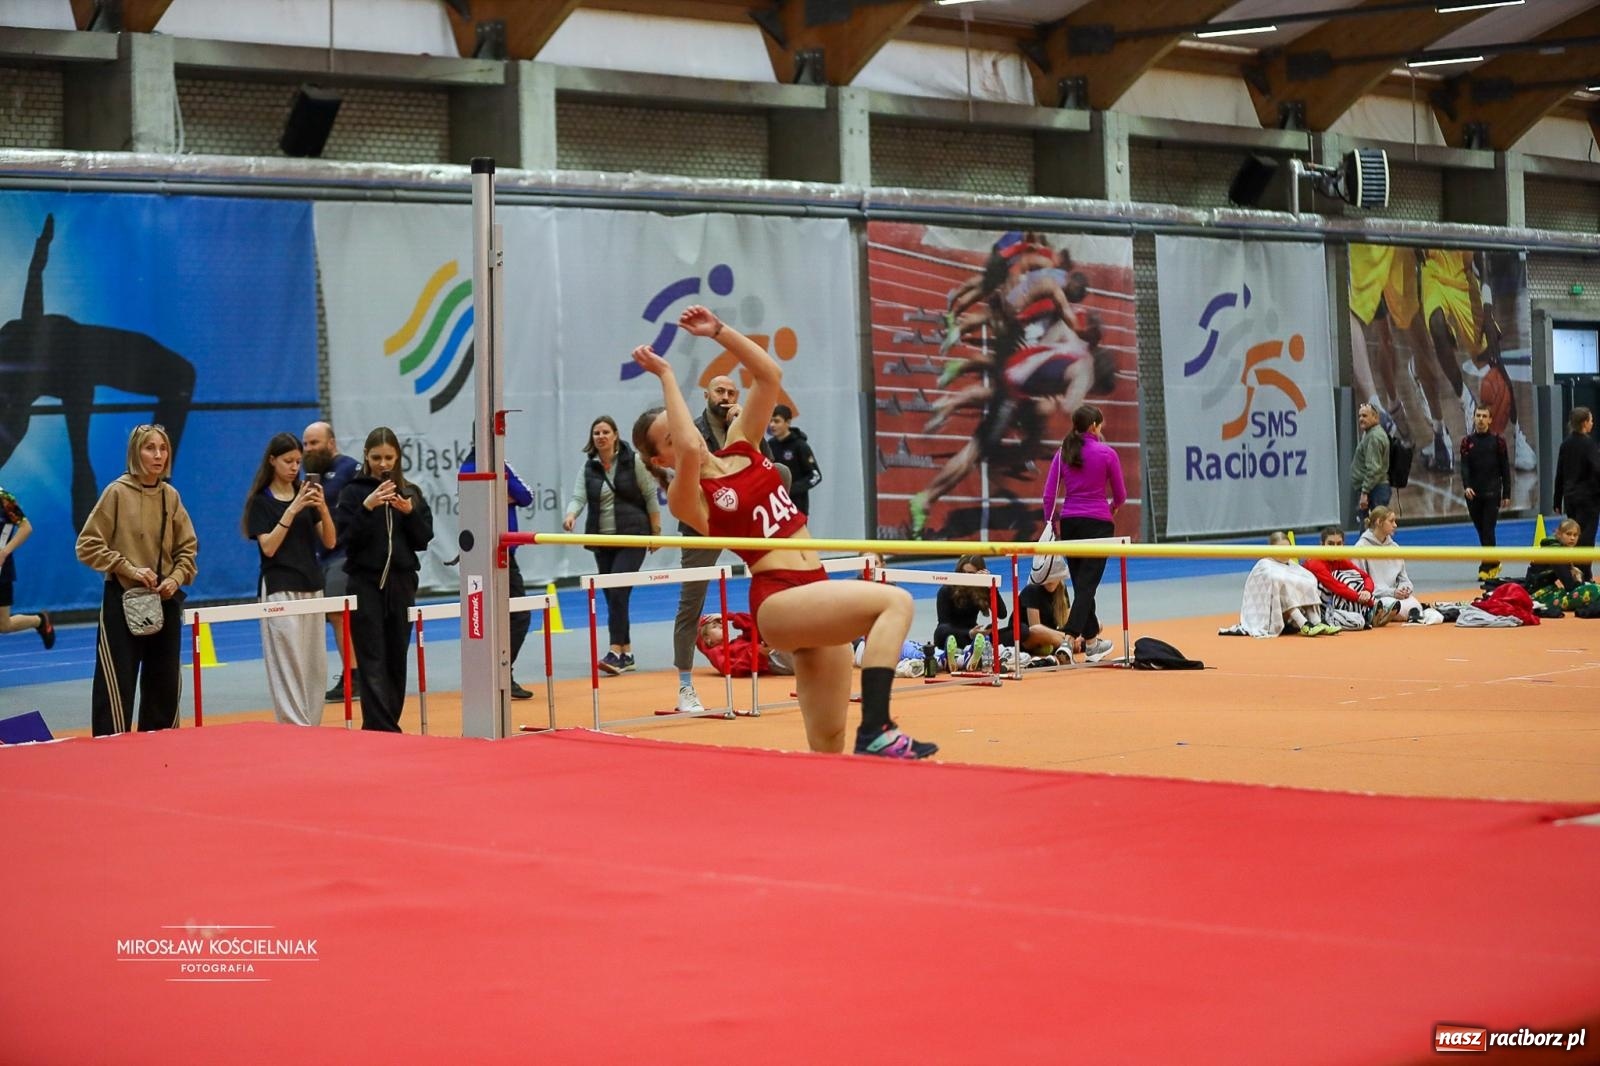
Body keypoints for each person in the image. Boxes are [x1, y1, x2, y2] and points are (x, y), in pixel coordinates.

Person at [630, 304, 935, 759]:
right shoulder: (686, 495)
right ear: (660, 460)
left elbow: (769, 376)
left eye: (677, 427)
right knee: (896, 600)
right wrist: (668, 375)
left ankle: (827, 813)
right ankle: (878, 726)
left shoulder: (743, 444)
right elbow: (691, 445)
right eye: (668, 439)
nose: (682, 436)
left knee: (827, 738)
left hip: (814, 588)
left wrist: (719, 332)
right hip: (777, 599)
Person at [1, 214, 196, 532]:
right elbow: (79, 457)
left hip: (95, 353)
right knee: (181, 377)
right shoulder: (38, 375)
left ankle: (153, 489)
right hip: (93, 358)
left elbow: (32, 296)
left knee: (181, 376)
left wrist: (40, 252)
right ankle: (152, 489)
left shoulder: (22, 360)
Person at [666, 374, 784, 714]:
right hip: (704, 520)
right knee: (691, 603)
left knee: (776, 583)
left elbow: (767, 468)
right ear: (706, 394)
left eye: (732, 392)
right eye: (720, 391)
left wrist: (745, 429)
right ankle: (685, 686)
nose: (726, 397)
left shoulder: (745, 424)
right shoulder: (691, 429)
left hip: (743, 518)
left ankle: (784, 654)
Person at [75, 424, 198, 735]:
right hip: (123, 601)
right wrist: (128, 569)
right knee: (116, 686)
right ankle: (111, 756)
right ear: (135, 452)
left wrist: (176, 577)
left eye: (163, 448)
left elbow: (188, 548)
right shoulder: (116, 492)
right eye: (149, 448)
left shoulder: (171, 496)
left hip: (165, 601)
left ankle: (159, 757)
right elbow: (87, 545)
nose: (157, 455)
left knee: (165, 687)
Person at [334, 427, 433, 733]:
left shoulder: (411, 492)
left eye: (388, 457)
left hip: (401, 584)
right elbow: (344, 539)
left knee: (396, 656)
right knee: (371, 657)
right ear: (366, 456)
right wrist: (367, 507)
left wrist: (409, 513)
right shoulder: (353, 492)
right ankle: (380, 728)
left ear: (398, 457)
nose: (382, 463)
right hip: (366, 584)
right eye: (376, 457)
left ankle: (388, 721)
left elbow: (423, 539)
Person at [242, 432, 336, 725]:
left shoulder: (307, 495)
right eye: (288, 461)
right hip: (280, 588)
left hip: (312, 585)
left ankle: (313, 726)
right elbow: (268, 546)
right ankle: (294, 728)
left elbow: (331, 542)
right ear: (272, 461)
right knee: (288, 663)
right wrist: (293, 509)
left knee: (314, 665)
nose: (295, 467)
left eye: (298, 461)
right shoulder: (261, 502)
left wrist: (321, 507)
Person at [562, 415, 660, 676]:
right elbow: (578, 496)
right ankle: (627, 652)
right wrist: (572, 515)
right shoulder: (589, 467)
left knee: (617, 591)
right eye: (596, 433)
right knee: (614, 596)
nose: (601, 436)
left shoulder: (634, 461)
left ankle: (615, 651)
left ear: (616, 435)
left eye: (606, 432)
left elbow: (651, 495)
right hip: (602, 540)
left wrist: (656, 532)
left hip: (633, 536)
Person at [1041, 404, 1124, 661]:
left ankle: (1092, 642)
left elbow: (1048, 494)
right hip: (1098, 522)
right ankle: (1068, 638)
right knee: (1086, 586)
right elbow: (1121, 496)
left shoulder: (1064, 453)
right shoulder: (1107, 453)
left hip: (1071, 523)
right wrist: (1109, 510)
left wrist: (1050, 523)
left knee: (1082, 585)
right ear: (1093, 427)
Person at [462, 443, 536, 698]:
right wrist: (502, 492)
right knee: (512, 615)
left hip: (499, 552)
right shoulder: (471, 466)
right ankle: (499, 673)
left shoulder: (499, 465)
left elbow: (526, 496)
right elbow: (480, 502)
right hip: (490, 554)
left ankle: (496, 673)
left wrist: (501, 491)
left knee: (496, 616)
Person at [302, 421, 363, 701]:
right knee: (333, 615)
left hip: (344, 554)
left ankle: (354, 675)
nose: (309, 448)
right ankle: (354, 671)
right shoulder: (308, 476)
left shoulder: (347, 467)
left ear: (331, 443)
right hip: (320, 556)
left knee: (340, 613)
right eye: (306, 443)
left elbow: (325, 497)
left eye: (315, 442)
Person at [1222, 532, 1336, 638]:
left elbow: (1308, 577)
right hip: (1270, 611)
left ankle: (1316, 620)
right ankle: (1303, 623)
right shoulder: (1264, 565)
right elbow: (1272, 582)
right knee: (1283, 587)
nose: (1285, 553)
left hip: (1286, 611)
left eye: (1287, 549)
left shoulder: (1291, 565)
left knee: (1305, 582)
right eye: (1280, 549)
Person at [1304, 526, 1398, 630]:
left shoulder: (1341, 559)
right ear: (1322, 545)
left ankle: (1368, 613)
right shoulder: (1315, 562)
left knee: (1352, 576)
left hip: (1335, 601)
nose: (1335, 548)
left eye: (1339, 544)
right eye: (1330, 544)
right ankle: (1369, 612)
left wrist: (1367, 591)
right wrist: (1369, 601)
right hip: (1315, 606)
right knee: (1340, 578)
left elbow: (1365, 576)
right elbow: (1337, 587)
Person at [1460, 403, 1510, 582]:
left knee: (1488, 529)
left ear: (1490, 420)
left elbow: (1505, 468)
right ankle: (1493, 560)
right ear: (1474, 418)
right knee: (1481, 530)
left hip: (1492, 493)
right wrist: (1466, 486)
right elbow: (1464, 466)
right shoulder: (1467, 442)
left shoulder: (1498, 441)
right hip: (1473, 494)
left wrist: (1506, 493)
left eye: (1484, 416)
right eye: (1478, 416)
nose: (1480, 419)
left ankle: (1487, 565)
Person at [0, 485, 55, 649]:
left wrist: (5, 552)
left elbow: (26, 528)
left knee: (4, 625)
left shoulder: (5, 499)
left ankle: (39, 621)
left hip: (2, 571)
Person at [933, 554, 1007, 669]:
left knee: (1018, 631)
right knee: (942, 629)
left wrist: (992, 588)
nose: (967, 577)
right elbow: (943, 622)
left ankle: (968, 654)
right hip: (951, 634)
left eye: (971, 574)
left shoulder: (982, 588)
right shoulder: (946, 590)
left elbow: (1002, 614)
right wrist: (968, 633)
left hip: (974, 636)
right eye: (963, 573)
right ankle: (962, 655)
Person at [1553, 406, 1600, 583]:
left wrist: (1557, 498)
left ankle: (1579, 573)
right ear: (1584, 423)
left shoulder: (1565, 444)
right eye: (1591, 420)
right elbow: (1597, 470)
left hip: (1571, 498)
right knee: (1586, 539)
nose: (1593, 423)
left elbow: (1560, 472)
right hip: (1588, 499)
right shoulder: (1589, 444)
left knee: (1573, 536)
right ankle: (1584, 575)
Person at [1354, 506, 1423, 621]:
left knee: (1416, 607)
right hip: (1376, 597)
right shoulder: (1360, 548)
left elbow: (1403, 578)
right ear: (1379, 522)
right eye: (1391, 521)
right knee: (1402, 609)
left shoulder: (1395, 547)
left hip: (1396, 596)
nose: (1395, 525)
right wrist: (1392, 593)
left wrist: (1405, 589)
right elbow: (1361, 585)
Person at [1525, 519, 1599, 611]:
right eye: (1568, 534)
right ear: (1559, 534)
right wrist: (1581, 583)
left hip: (1547, 589)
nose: (1572, 538)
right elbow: (1569, 585)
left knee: (1592, 590)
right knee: (1593, 591)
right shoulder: (1555, 551)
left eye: (1575, 535)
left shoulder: (1560, 548)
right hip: (1537, 594)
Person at [696, 613, 795, 677]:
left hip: (776, 652)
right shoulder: (716, 652)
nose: (721, 626)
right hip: (773, 660)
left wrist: (731, 617)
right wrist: (759, 652)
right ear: (706, 639)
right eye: (715, 626)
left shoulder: (737, 642)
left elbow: (754, 623)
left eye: (720, 623)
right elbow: (733, 668)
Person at [767, 404, 821, 517]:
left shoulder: (800, 446)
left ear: (788, 422)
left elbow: (815, 476)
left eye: (777, 421)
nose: (772, 425)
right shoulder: (769, 445)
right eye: (770, 421)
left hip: (797, 507)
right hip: (775, 508)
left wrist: (790, 489)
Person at [1017, 555, 1073, 661]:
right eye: (1047, 575)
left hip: (1053, 635)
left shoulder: (1062, 589)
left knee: (1097, 625)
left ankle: (1067, 644)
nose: (1050, 580)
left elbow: (1068, 623)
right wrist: (1068, 636)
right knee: (1036, 630)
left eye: (1053, 575)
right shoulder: (1032, 589)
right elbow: (1035, 628)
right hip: (1028, 638)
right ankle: (1068, 644)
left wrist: (1072, 634)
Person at [1351, 402, 1391, 528]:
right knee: (1373, 530)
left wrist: (1364, 492)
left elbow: (1374, 468)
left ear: (1375, 417)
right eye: (1360, 416)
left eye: (1365, 416)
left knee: (1374, 531)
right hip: (1375, 489)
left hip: (1375, 490)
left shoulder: (1373, 437)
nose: (1361, 419)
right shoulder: (1371, 434)